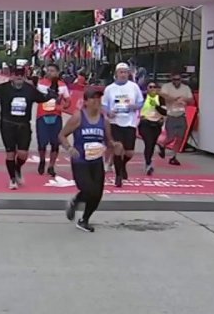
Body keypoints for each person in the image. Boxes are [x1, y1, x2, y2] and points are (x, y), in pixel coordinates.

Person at [60, 87, 114, 233]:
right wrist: (69, 148)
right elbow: (62, 135)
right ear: (85, 102)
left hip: (96, 162)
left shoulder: (104, 120)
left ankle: (84, 220)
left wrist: (116, 146)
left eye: (99, 98)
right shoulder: (79, 117)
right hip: (81, 161)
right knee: (89, 190)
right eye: (93, 98)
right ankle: (76, 200)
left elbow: (109, 142)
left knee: (97, 195)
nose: (97, 101)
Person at [0, 66, 48, 190]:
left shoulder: (29, 89)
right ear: (12, 76)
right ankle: (12, 179)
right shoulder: (3, 88)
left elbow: (42, 98)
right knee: (10, 153)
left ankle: (17, 168)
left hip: (24, 125)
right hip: (7, 125)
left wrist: (53, 94)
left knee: (23, 154)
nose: (19, 77)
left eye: (21, 75)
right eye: (16, 74)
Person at [101, 62, 144, 188]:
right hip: (115, 122)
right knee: (118, 148)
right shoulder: (109, 88)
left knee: (129, 152)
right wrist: (109, 112)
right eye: (121, 72)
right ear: (116, 74)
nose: (123, 74)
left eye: (125, 72)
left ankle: (122, 165)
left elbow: (140, 102)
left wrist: (134, 106)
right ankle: (118, 176)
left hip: (130, 122)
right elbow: (104, 105)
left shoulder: (134, 87)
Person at [35, 63, 71, 178]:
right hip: (42, 117)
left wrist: (62, 107)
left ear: (57, 72)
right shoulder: (40, 84)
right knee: (42, 143)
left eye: (52, 71)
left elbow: (68, 101)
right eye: (48, 70)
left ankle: (51, 166)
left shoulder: (62, 86)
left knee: (55, 144)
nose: (50, 72)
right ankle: (42, 160)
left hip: (56, 117)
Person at [157, 71, 193, 166]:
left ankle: (174, 157)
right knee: (171, 137)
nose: (176, 81)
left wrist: (184, 99)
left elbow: (191, 100)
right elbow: (162, 94)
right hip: (171, 115)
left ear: (181, 79)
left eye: (178, 79)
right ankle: (162, 144)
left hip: (181, 115)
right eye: (174, 79)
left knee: (180, 138)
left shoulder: (186, 88)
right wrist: (174, 98)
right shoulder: (167, 87)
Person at [138, 82, 166, 176]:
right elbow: (136, 108)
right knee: (148, 143)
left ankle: (159, 146)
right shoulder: (143, 97)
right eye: (150, 87)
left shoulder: (160, 99)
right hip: (145, 123)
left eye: (155, 87)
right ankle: (148, 164)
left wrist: (156, 106)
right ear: (147, 88)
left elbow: (165, 112)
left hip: (156, 124)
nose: (153, 89)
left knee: (152, 144)